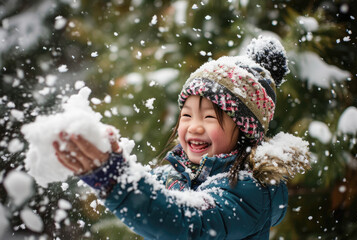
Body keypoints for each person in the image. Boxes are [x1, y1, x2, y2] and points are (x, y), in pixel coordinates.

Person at [53, 36, 311, 239]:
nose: (194, 127)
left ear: (245, 131)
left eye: (210, 118)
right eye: (187, 116)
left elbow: (186, 223)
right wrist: (105, 164)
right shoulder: (177, 175)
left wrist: (115, 181)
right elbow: (150, 200)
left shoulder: (248, 191)